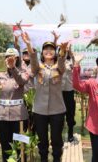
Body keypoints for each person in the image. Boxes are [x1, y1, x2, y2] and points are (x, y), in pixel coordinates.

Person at [21, 31, 68, 162]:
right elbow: (33, 60)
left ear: (55, 52)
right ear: (42, 53)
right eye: (46, 49)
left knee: (56, 139)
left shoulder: (59, 67)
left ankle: (57, 159)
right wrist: (29, 45)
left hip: (57, 110)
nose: (48, 51)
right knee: (42, 140)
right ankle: (43, 159)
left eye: (51, 49)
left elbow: (62, 63)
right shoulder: (38, 68)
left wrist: (62, 51)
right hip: (40, 110)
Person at [61, 44, 76, 142]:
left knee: (70, 114)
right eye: (65, 50)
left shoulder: (72, 61)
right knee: (59, 115)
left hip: (69, 91)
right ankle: (59, 135)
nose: (67, 51)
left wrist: (70, 51)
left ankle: (70, 134)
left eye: (68, 49)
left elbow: (76, 62)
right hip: (59, 92)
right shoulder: (59, 61)